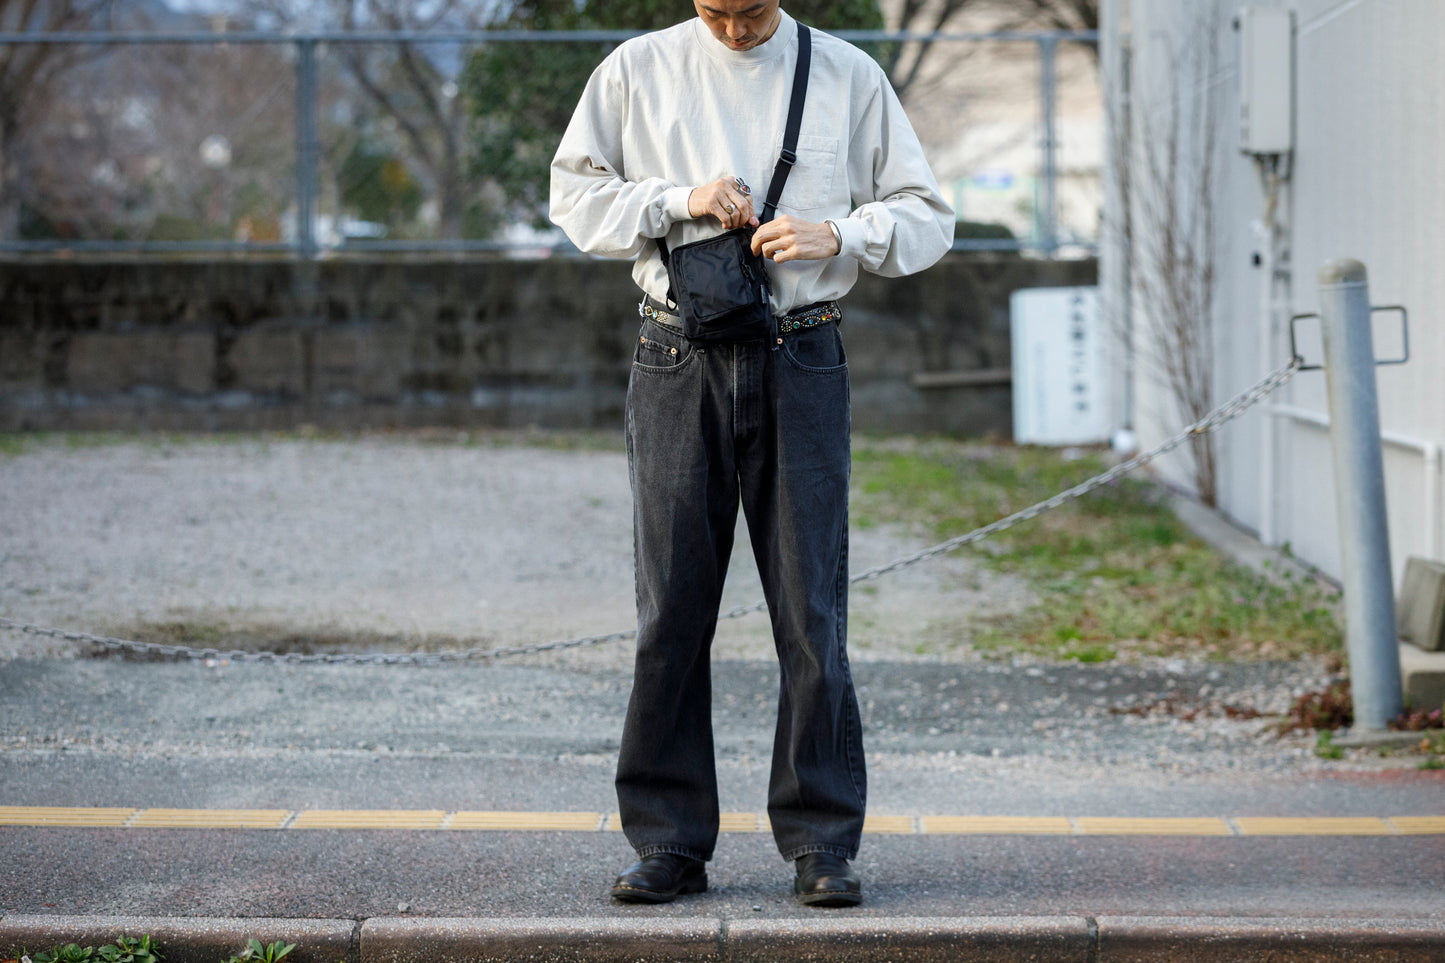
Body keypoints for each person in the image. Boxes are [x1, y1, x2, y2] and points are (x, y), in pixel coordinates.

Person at [549, 0, 953, 907]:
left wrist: (839, 233)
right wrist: (677, 199)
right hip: (674, 351)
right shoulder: (637, 69)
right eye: (715, 11)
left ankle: (821, 843)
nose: (732, 29)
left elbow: (929, 215)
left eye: (751, 11)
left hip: (801, 349)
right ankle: (667, 840)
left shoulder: (846, 73)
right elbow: (572, 196)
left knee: (812, 611)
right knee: (670, 609)